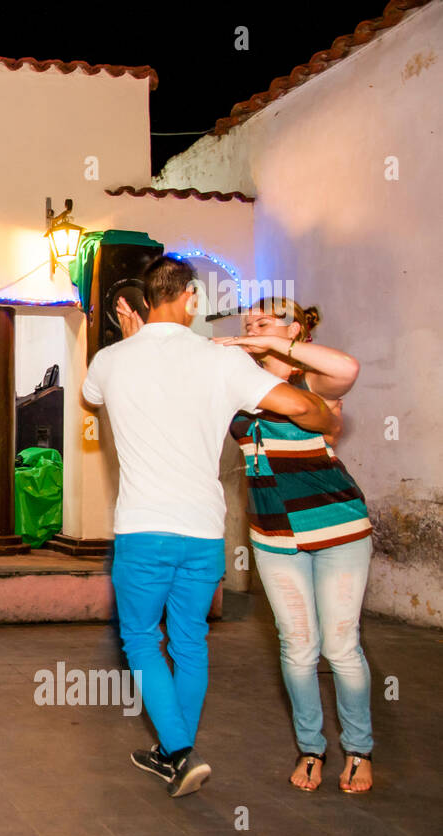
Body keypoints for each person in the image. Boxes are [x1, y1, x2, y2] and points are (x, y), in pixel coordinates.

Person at [81, 256, 339, 798]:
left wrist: (131, 339)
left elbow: (90, 397)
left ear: (143, 303)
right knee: (192, 641)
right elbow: (302, 408)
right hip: (203, 531)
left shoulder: (110, 359)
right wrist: (324, 416)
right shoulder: (223, 362)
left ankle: (178, 750)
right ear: (193, 300)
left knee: (141, 640)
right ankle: (175, 751)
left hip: (143, 530)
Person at [219, 299, 374, 793]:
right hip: (272, 533)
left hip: (338, 529)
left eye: (263, 323)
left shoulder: (313, 383)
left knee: (340, 646)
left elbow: (347, 368)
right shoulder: (241, 387)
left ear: (294, 331)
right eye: (248, 325)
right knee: (299, 648)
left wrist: (271, 343)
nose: (251, 330)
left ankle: (359, 750)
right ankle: (312, 748)